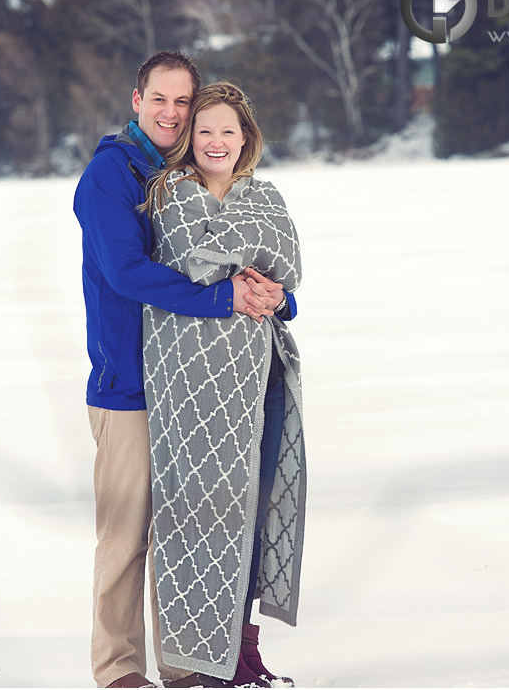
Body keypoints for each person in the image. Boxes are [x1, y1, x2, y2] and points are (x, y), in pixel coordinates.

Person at [73, 52, 298, 689]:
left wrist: (274, 296)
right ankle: (119, 672)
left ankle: (188, 666)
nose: (171, 113)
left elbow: (234, 256)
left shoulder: (183, 173)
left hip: (193, 387)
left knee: (185, 532)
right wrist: (224, 298)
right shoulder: (109, 177)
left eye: (182, 103)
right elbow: (127, 272)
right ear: (136, 98)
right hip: (129, 384)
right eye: (160, 100)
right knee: (126, 537)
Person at [141, 82, 306, 688]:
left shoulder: (264, 196)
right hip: (196, 387)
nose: (215, 141)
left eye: (227, 132)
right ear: (188, 140)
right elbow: (197, 263)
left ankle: (245, 652)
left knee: (258, 512)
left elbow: (286, 262)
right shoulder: (173, 196)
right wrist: (252, 269)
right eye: (203, 130)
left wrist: (276, 292)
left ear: (246, 140)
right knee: (205, 515)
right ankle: (206, 662)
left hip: (261, 377)